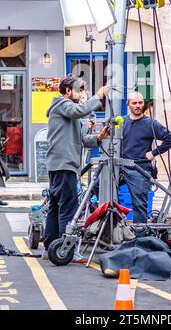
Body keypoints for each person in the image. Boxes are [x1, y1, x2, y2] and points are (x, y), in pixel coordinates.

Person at [43, 74, 110, 260]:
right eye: (79, 90)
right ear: (67, 91)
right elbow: (79, 110)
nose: (82, 94)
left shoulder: (69, 112)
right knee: (68, 207)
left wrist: (99, 138)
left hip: (62, 164)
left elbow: (82, 140)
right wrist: (98, 96)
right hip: (63, 164)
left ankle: (50, 247)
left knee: (56, 206)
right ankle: (68, 249)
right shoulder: (62, 105)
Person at [121, 92, 171, 223]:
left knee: (139, 205)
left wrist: (154, 153)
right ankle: (115, 228)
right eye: (134, 103)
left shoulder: (150, 124)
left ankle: (139, 238)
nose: (138, 106)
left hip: (140, 168)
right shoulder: (122, 122)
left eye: (140, 103)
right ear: (128, 104)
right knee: (98, 187)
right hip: (121, 166)